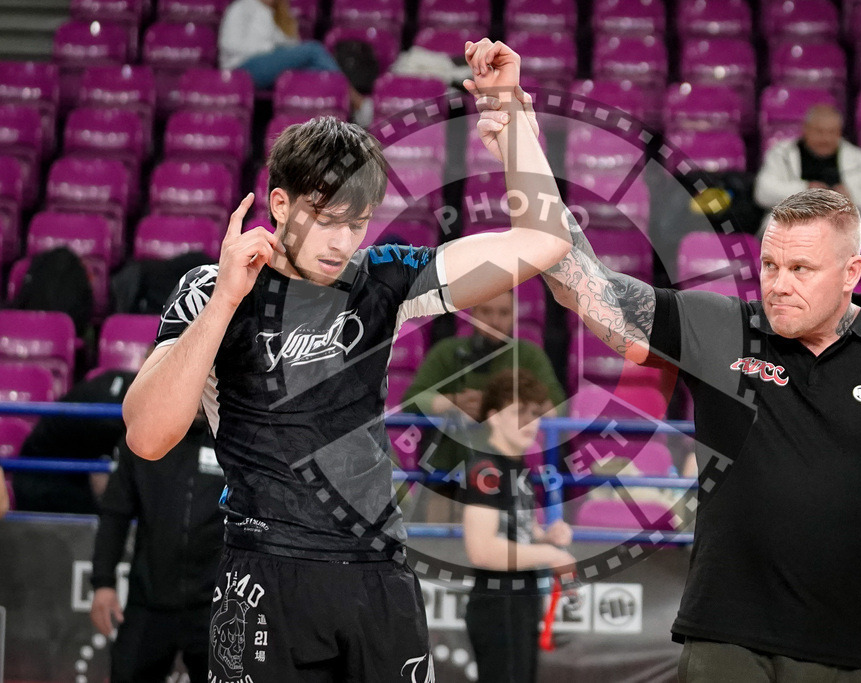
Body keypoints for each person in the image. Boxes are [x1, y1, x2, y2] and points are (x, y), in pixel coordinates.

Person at [470, 50, 861, 677]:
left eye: (801, 270)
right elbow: (582, 286)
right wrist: (522, 147)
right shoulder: (722, 326)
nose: (778, 284)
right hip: (723, 641)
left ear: (852, 274)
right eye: (769, 266)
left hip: (850, 655)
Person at [122, 37, 572, 681]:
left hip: (377, 576)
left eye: (356, 223)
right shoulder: (210, 288)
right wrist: (224, 301)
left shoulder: (383, 281)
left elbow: (543, 240)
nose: (341, 242)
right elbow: (146, 435)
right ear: (280, 205)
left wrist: (515, 123)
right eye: (325, 219)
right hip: (263, 572)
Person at [461, 369, 574, 683]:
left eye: (534, 413)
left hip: (518, 602)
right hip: (498, 604)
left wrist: (546, 537)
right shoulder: (486, 470)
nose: (531, 422)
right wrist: (549, 555)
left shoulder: (517, 469)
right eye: (519, 413)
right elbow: (482, 550)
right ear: (494, 417)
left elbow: (518, 531)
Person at [89, 417, 223, 683]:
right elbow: (115, 513)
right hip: (149, 599)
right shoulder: (145, 434)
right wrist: (103, 582)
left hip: (216, 604)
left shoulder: (234, 437)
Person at [403, 290, 564, 485]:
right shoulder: (448, 351)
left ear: (514, 316)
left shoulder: (529, 355)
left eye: (504, 313)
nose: (494, 321)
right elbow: (411, 400)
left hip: (510, 470)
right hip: (447, 469)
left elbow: (557, 408)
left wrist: (504, 406)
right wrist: (454, 403)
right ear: (473, 313)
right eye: (486, 312)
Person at [755, 104, 861, 307]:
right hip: (793, 224)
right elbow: (762, 192)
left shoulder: (857, 158)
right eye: (819, 131)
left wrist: (850, 196)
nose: (825, 138)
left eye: (831, 133)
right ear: (805, 130)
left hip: (843, 225)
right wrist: (805, 189)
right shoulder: (782, 154)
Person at [12, 369, 136, 514]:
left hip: (63, 470)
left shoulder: (128, 380)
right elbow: (101, 484)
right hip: (42, 480)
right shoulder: (107, 420)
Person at [218, 0, 340, 90]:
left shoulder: (279, 15)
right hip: (242, 67)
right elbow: (228, 43)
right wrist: (270, 48)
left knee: (314, 71)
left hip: (271, 67)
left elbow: (291, 46)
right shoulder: (242, 6)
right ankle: (355, 103)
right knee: (314, 49)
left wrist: (280, 50)